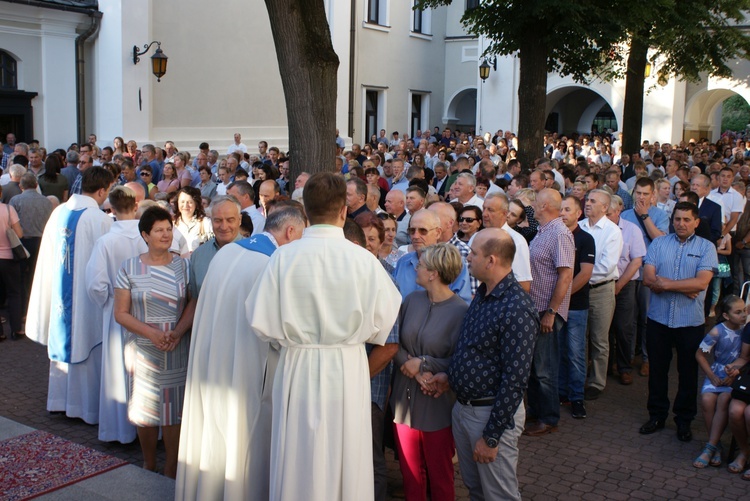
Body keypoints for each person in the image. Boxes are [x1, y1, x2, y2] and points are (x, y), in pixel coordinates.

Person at [246, 172, 401, 501]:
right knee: (344, 453)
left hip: (297, 364)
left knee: (298, 450)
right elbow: (385, 319)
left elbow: (259, 318)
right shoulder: (363, 260)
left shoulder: (283, 258)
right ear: (344, 211)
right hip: (346, 365)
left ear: (305, 211)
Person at [176, 205, 307, 501]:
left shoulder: (228, 252)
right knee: (243, 438)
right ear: (290, 232)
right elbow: (277, 329)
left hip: (213, 359)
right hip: (249, 365)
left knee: (213, 430)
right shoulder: (273, 264)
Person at [429, 228, 538, 500]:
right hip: (465, 409)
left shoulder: (516, 307)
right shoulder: (485, 296)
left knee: (498, 494)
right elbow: (473, 350)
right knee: (477, 490)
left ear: (491, 260)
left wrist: (491, 437)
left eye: (474, 254)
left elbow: (515, 380)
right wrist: (450, 377)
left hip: (489, 415)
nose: (468, 258)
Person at [26, 167, 115, 423]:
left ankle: (60, 401)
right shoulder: (100, 219)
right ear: (101, 190)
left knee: (67, 339)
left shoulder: (58, 212)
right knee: (87, 343)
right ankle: (85, 408)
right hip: (87, 300)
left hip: (60, 295)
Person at [113, 206, 195, 478]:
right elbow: (121, 313)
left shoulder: (183, 265)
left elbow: (193, 301)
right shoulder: (129, 267)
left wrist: (178, 332)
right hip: (143, 348)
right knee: (144, 409)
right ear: (145, 235)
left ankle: (171, 466)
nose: (166, 235)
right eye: (159, 230)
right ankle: (149, 463)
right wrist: (153, 334)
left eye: (169, 229)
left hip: (176, 346)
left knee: (174, 411)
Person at [390, 243, 468, 501]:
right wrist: (413, 370)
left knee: (440, 475)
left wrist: (424, 364)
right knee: (410, 474)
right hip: (404, 402)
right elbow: (395, 343)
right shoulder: (411, 301)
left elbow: (461, 359)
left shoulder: (461, 312)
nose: (417, 267)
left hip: (437, 405)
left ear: (433, 273)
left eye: (421, 265)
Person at [639, 202, 717, 442]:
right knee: (658, 372)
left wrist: (668, 285)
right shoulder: (659, 243)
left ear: (696, 222)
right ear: (672, 220)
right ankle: (657, 415)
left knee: (688, 373)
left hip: (690, 323)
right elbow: (647, 278)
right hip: (659, 320)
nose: (681, 224)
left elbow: (701, 283)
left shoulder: (707, 247)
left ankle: (684, 421)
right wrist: (685, 286)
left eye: (686, 220)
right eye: (677, 219)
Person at [84, 186, 143, 444]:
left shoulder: (106, 241)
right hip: (149, 311)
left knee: (118, 370)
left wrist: (107, 302)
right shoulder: (147, 236)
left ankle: (121, 431)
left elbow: (95, 283)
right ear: (136, 206)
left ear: (111, 209)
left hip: (117, 313)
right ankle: (152, 428)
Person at [524, 189, 574, 436]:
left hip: (546, 310)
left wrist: (552, 312)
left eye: (535, 201)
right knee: (534, 366)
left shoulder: (560, 233)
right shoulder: (544, 231)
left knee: (545, 367)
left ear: (544, 205)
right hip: (535, 308)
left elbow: (565, 276)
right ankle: (536, 410)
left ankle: (549, 417)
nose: (532, 204)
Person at [579, 189, 623, 400]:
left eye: (593, 201)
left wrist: (581, 272)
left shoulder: (612, 231)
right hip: (580, 288)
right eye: (587, 199)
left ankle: (596, 381)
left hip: (601, 289)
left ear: (605, 207)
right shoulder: (579, 226)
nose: (587, 203)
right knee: (579, 336)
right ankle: (578, 377)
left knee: (598, 338)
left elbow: (606, 266)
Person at [693, 295, 745, 469]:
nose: (744, 315)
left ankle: (710, 447)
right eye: (738, 312)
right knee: (707, 400)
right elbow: (699, 354)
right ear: (726, 315)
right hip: (716, 372)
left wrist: (734, 374)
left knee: (723, 400)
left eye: (744, 310)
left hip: (736, 376)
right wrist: (711, 375)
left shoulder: (746, 330)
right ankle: (715, 445)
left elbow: (745, 359)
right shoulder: (717, 331)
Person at [558, 196, 595, 418]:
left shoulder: (585, 239)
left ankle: (577, 397)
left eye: (567, 209)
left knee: (575, 353)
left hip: (576, 306)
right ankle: (561, 392)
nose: (562, 213)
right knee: (559, 351)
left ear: (578, 213)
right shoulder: (555, 236)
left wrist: (562, 296)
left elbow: (585, 273)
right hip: (556, 306)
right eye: (560, 209)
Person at [0, 183, 24, 341]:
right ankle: (16, 329)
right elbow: (19, 234)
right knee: (14, 292)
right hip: (9, 257)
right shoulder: (9, 210)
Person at [173, 187, 212, 255]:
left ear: (196, 204)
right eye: (182, 202)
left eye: (190, 202)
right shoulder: (171, 224)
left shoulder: (206, 223)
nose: (185, 205)